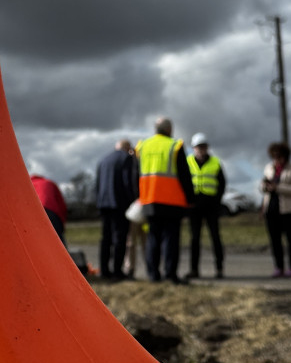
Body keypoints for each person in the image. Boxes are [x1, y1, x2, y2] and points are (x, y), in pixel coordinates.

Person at [135, 117, 194, 283]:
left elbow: (135, 175)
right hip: (172, 201)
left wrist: (138, 197)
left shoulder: (142, 146)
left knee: (153, 237)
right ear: (169, 129)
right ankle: (170, 274)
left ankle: (153, 274)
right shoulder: (175, 146)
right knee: (171, 239)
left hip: (149, 200)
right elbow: (184, 175)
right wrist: (190, 199)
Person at [185, 133, 227, 279]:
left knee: (215, 237)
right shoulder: (188, 161)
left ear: (207, 148)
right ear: (193, 148)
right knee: (194, 239)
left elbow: (222, 183)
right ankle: (194, 270)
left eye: (203, 147)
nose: (201, 150)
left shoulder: (215, 162)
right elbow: (184, 182)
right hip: (194, 206)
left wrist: (217, 200)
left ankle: (219, 269)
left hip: (211, 205)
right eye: (198, 147)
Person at [95, 139, 137, 278]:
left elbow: (98, 185)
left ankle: (104, 270)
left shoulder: (103, 160)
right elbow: (128, 182)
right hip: (120, 204)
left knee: (105, 238)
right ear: (128, 148)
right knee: (120, 238)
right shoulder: (127, 158)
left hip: (104, 204)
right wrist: (133, 200)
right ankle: (117, 272)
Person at [260, 141, 291, 278]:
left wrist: (278, 188)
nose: (277, 159)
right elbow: (261, 187)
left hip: (289, 210)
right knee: (275, 240)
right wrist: (265, 187)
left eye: (280, 156)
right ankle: (278, 267)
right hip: (271, 210)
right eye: (274, 156)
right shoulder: (268, 168)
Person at [30, 175, 68, 242]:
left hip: (34, 213)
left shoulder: (28, 184)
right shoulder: (50, 183)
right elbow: (61, 205)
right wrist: (61, 224)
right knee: (58, 239)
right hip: (51, 212)